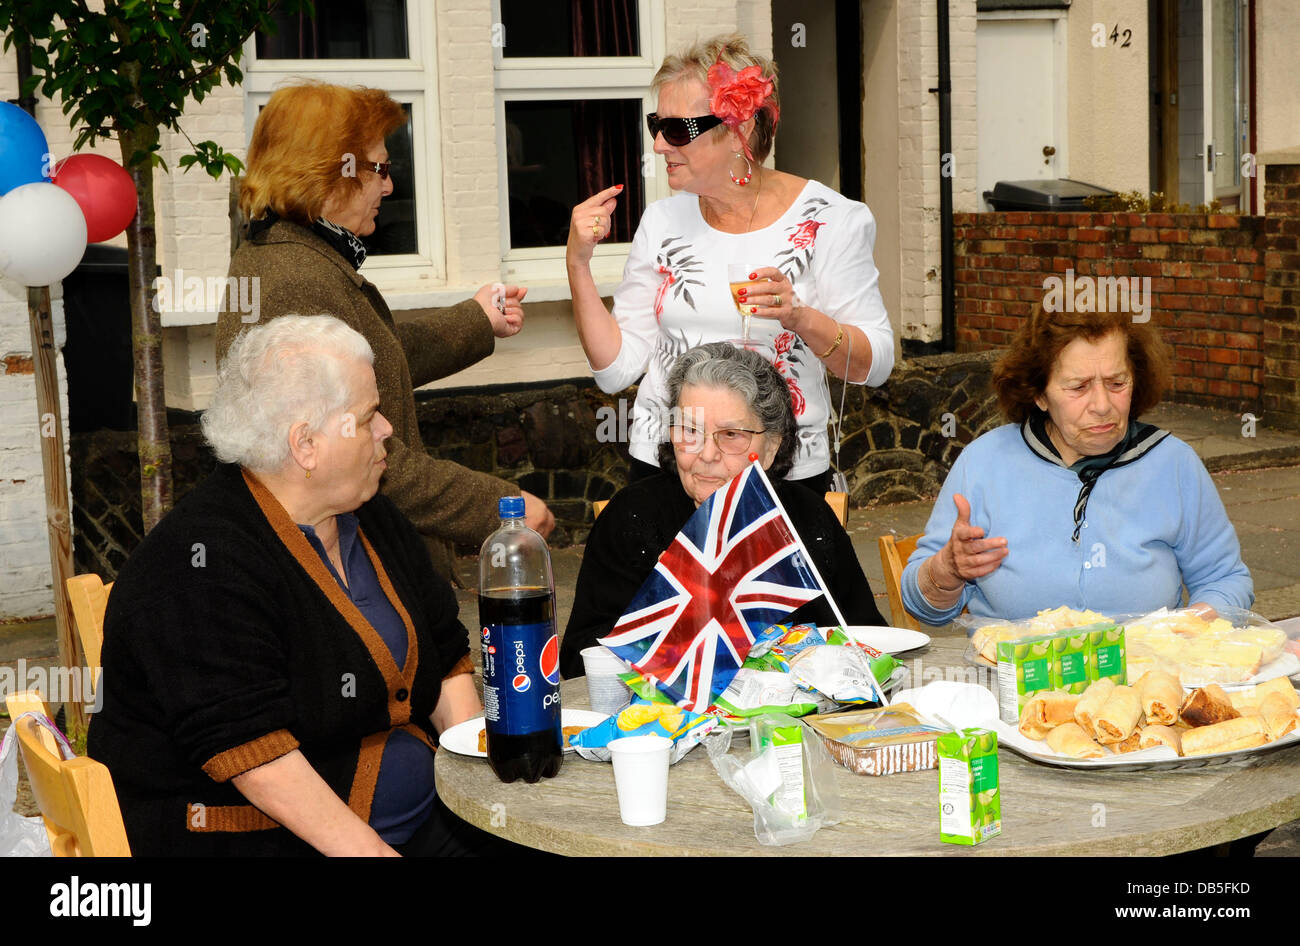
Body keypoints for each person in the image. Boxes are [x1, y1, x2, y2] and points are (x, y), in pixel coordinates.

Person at [89, 316, 495, 856]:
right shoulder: (199, 568)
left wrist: (482, 794)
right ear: (305, 444)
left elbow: (444, 654)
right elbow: (252, 752)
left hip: (423, 818)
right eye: (369, 416)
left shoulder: (368, 514)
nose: (387, 430)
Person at [216, 80, 553, 584]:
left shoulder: (299, 260)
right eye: (380, 168)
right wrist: (499, 509)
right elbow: (356, 454)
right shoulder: (292, 281)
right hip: (349, 569)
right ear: (330, 172)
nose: (389, 186)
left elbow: (373, 363)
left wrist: (476, 320)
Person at [565, 34, 894, 494]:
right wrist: (578, 266)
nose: (659, 145)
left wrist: (800, 317)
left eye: (678, 129)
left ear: (737, 131)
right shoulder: (662, 221)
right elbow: (616, 369)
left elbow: (873, 365)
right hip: (667, 468)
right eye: (655, 124)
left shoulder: (832, 221)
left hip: (779, 475)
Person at [901, 305, 1253, 627]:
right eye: (1078, 387)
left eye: (1117, 383)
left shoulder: (1173, 465)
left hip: (1143, 684)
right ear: (1039, 394)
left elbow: (1226, 580)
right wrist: (947, 569)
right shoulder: (985, 462)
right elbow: (924, 609)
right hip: (1014, 682)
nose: (1102, 405)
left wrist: (1187, 630)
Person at [560, 342, 886, 678]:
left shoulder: (804, 517)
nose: (707, 454)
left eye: (731, 435)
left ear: (772, 446)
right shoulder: (633, 518)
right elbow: (581, 662)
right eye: (690, 430)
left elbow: (867, 639)